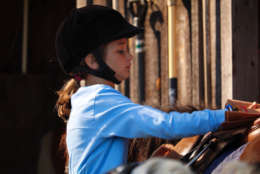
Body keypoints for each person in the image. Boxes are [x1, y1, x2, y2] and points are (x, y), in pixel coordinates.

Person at [55, 5, 226, 174]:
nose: (130, 57)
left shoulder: (85, 100)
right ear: (92, 61)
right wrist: (225, 115)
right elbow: (167, 125)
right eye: (121, 50)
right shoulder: (99, 99)